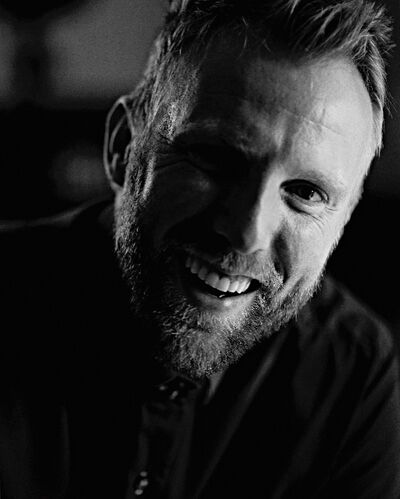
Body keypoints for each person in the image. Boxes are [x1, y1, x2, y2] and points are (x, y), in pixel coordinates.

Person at [0, 0, 399, 497]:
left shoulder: (352, 373)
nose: (248, 233)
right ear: (123, 147)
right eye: (214, 158)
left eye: (305, 192)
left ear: (345, 219)